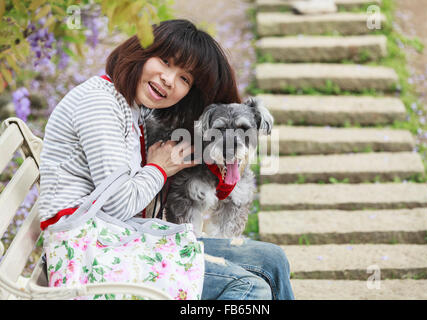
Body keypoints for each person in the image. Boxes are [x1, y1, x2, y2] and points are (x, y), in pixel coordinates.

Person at [38, 19, 294, 300]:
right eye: (165, 61)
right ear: (141, 50)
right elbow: (116, 204)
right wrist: (159, 168)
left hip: (119, 240)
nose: (169, 80)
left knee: (271, 259)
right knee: (249, 287)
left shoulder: (135, 109)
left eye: (185, 79)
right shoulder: (99, 104)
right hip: (88, 256)